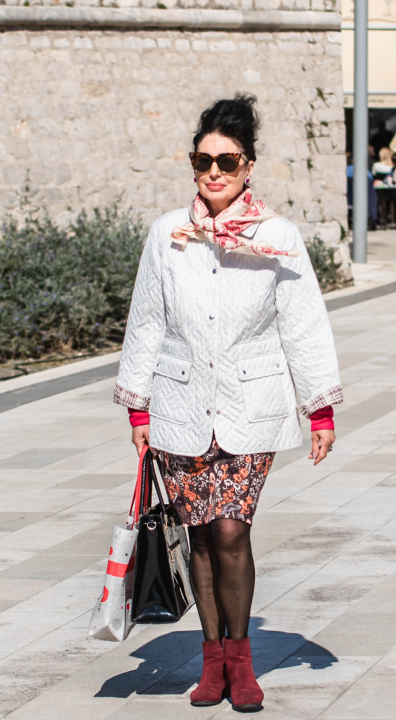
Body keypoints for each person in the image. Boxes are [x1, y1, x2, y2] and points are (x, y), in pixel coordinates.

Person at [114, 95, 342, 712]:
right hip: (179, 407)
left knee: (232, 531)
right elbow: (147, 323)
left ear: (249, 167)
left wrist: (318, 408)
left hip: (251, 405)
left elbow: (303, 323)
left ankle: (242, 663)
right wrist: (138, 410)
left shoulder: (277, 236)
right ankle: (210, 662)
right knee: (199, 539)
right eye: (203, 161)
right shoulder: (168, 235)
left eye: (227, 161)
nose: (213, 172)